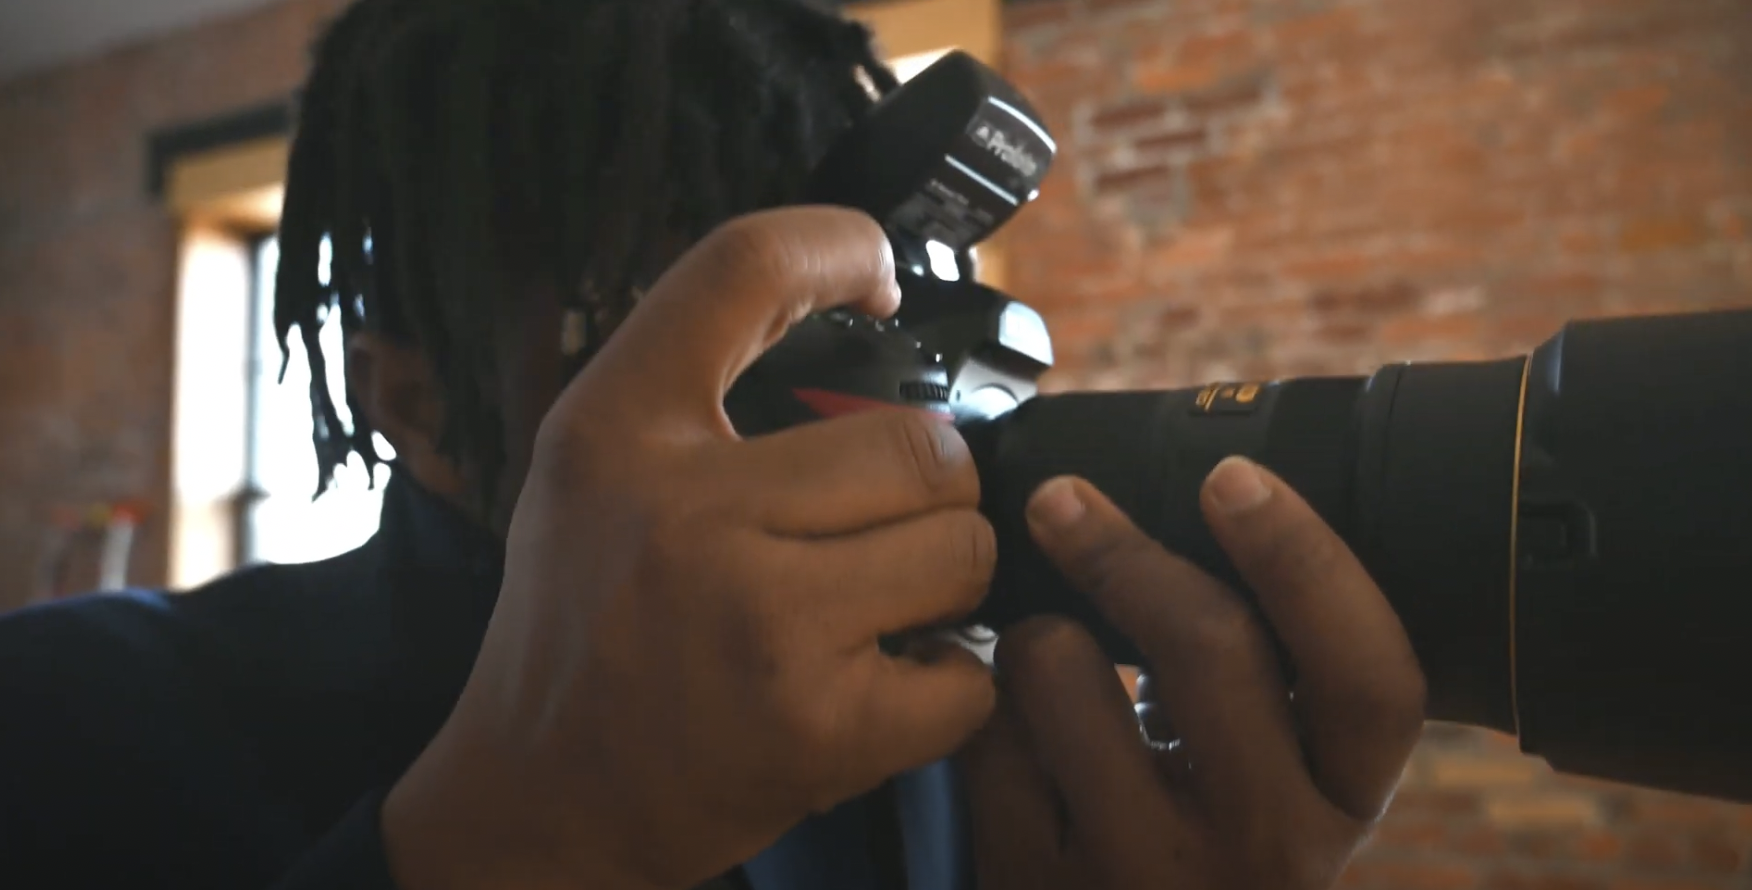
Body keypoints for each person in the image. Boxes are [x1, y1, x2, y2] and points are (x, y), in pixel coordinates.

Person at [0, 2, 1427, 888]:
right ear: (406, 396)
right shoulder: (73, 723)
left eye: (842, 323)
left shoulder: (942, 732)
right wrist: (512, 848)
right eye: (655, 312)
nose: (809, 403)